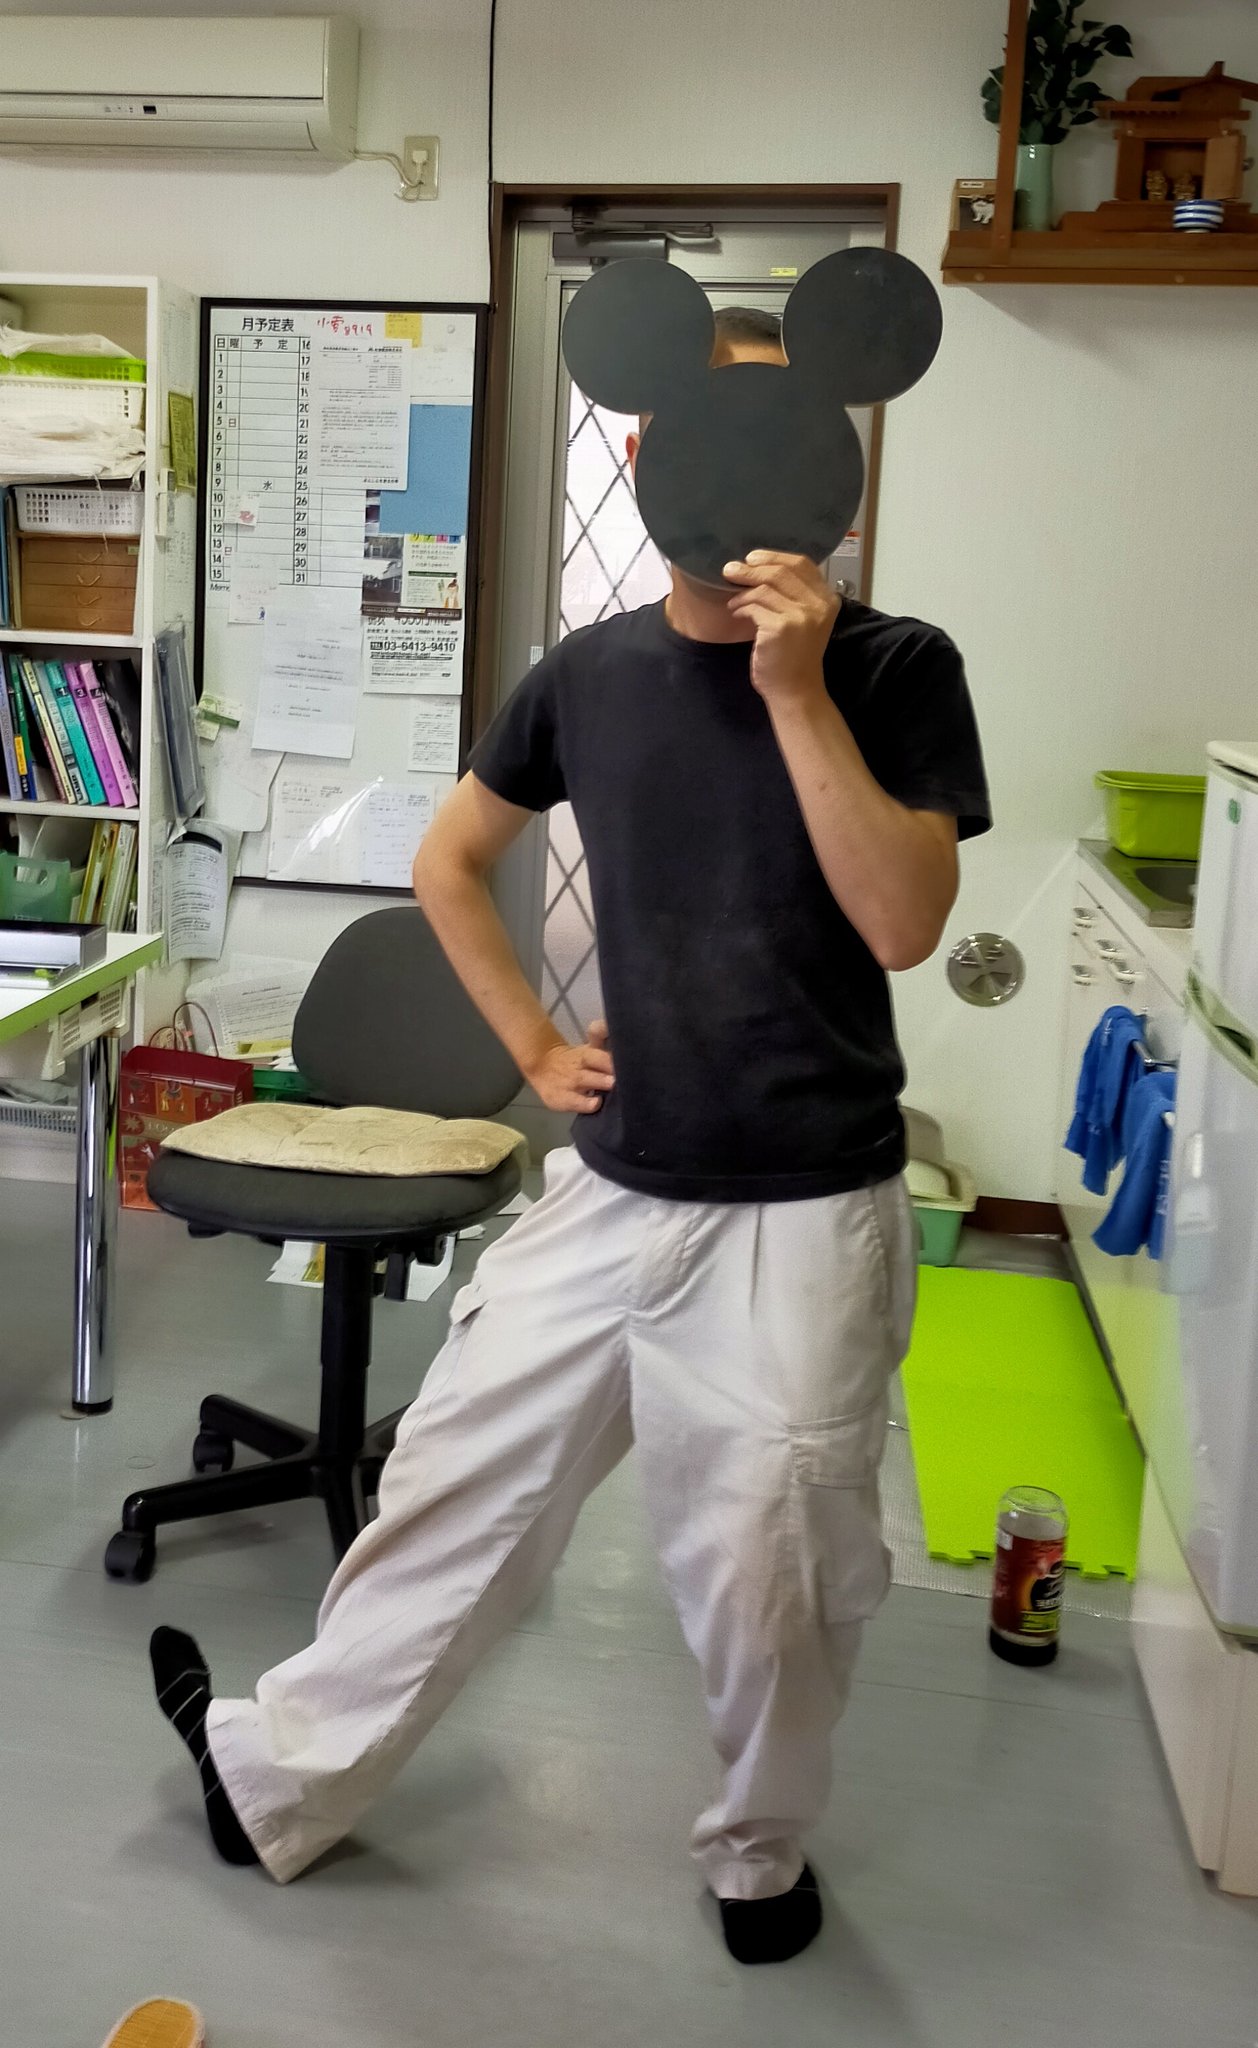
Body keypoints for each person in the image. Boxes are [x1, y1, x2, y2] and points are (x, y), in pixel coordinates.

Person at [150, 305, 990, 1967]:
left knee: (774, 1575)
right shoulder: (589, 675)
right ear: (645, 445)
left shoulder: (895, 667)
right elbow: (449, 860)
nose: (739, 469)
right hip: (605, 1189)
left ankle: (757, 1856)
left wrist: (796, 692)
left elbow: (902, 924)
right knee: (450, 1492)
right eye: (705, 430)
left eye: (776, 431)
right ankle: (278, 1778)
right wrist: (534, 1045)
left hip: (802, 1211)